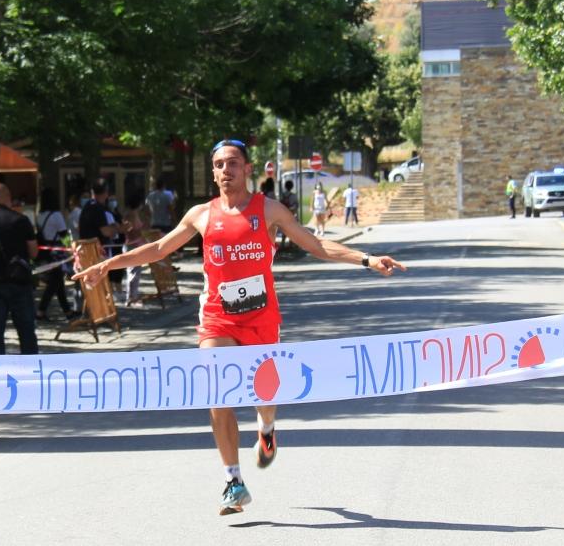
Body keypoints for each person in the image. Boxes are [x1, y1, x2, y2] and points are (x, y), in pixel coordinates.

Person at [73, 139, 405, 515]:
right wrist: (107, 265)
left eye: (232, 163)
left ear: (247, 169)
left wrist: (367, 259)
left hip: (261, 317)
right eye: (218, 165)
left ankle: (266, 429)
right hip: (217, 315)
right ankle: (233, 480)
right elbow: (160, 248)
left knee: (264, 397)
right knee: (217, 391)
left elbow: (315, 245)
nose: (225, 170)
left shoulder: (270, 210)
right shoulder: (201, 214)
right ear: (213, 173)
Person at [0, 183, 39, 355]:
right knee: (26, 332)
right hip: (19, 282)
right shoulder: (20, 219)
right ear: (8, 198)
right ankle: (32, 369)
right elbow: (33, 251)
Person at [36, 189, 75, 321]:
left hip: (45, 251)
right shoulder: (56, 215)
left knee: (57, 282)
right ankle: (41, 310)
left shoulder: (40, 215)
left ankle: (67, 311)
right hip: (56, 252)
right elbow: (63, 234)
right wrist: (70, 247)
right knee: (55, 282)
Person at [121, 192, 147, 306]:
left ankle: (131, 296)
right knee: (133, 273)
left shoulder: (131, 214)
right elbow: (133, 230)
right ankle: (132, 297)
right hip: (133, 245)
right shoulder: (132, 215)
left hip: (134, 245)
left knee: (133, 272)